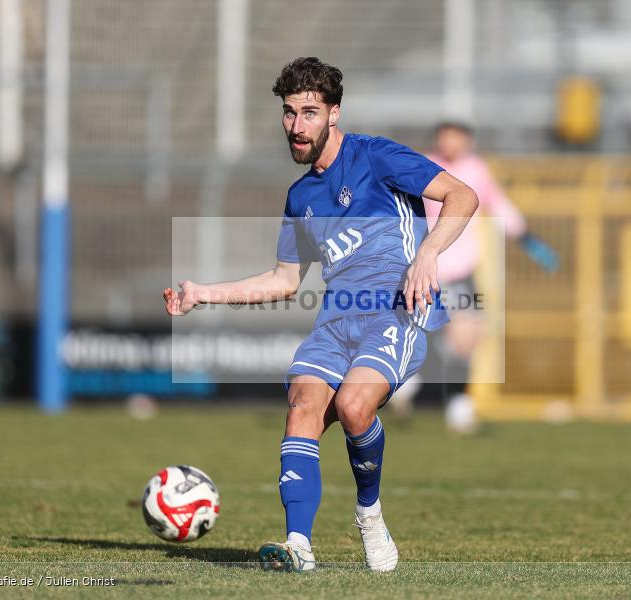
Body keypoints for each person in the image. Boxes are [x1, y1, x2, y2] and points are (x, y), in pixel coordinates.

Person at [163, 57, 477, 572]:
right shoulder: (301, 196)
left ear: (334, 114)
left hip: (397, 312)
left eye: (309, 112)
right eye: (289, 113)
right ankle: (298, 546)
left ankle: (369, 512)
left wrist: (428, 253)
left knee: (355, 407)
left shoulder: (376, 157)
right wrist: (203, 292)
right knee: (302, 407)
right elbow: (284, 282)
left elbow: (462, 195)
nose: (296, 126)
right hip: (335, 323)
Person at [391, 121, 559, 432]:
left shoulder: (476, 170)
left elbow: (499, 206)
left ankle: (453, 403)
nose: (451, 144)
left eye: (458, 138)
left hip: (462, 270)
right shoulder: (423, 167)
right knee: (428, 335)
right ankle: (416, 387)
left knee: (468, 336)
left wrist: (528, 241)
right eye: (446, 138)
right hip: (426, 266)